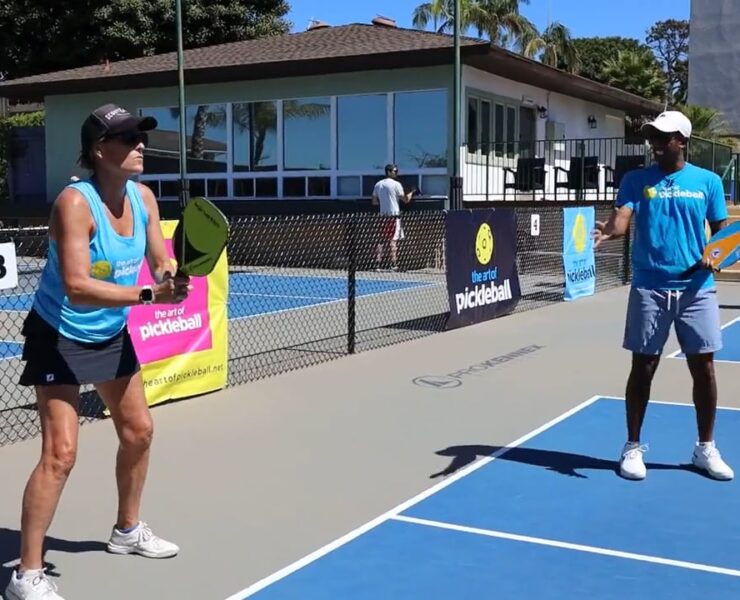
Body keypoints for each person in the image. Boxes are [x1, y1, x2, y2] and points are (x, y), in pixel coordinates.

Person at [4, 103, 190, 600]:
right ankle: (26, 574)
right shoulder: (74, 203)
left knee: (139, 432)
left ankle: (127, 531)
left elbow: (158, 257)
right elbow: (78, 286)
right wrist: (151, 295)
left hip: (110, 333)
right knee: (60, 454)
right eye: (128, 139)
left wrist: (170, 275)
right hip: (59, 334)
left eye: (140, 137)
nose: (139, 146)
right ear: (98, 150)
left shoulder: (145, 197)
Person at [593, 110, 733, 482]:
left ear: (682, 141)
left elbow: (724, 231)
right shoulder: (636, 180)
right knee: (643, 366)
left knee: (703, 369)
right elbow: (623, 219)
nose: (655, 142)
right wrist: (610, 229)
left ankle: (705, 449)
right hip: (649, 287)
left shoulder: (708, 182)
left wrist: (716, 254)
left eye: (663, 136)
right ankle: (632, 447)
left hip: (696, 290)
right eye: (653, 135)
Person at [371, 164, 415, 271]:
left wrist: (384, 201)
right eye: (395, 171)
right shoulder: (396, 184)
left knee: (381, 240)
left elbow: (374, 201)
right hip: (394, 216)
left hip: (383, 216)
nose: (396, 173)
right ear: (389, 172)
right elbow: (405, 199)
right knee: (393, 240)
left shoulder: (378, 184)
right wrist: (412, 192)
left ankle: (377, 264)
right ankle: (393, 264)